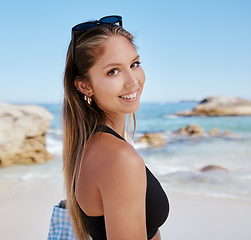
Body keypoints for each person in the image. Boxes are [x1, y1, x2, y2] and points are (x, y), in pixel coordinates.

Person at [62, 15, 169, 240]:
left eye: (134, 64)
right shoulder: (119, 158)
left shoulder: (91, 145)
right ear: (85, 86)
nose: (133, 81)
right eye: (113, 71)